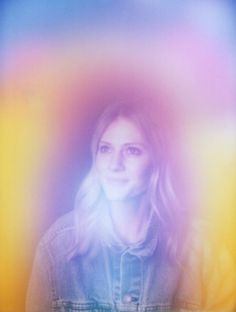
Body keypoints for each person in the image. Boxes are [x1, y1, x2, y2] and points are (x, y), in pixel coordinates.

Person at [26, 102, 236, 312]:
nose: (114, 164)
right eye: (105, 149)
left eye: (132, 151)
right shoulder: (57, 248)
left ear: (157, 161)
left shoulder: (204, 250)